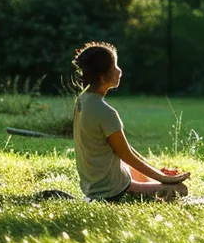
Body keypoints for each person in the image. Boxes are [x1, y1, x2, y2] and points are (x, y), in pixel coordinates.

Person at [72, 41, 191, 201]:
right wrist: (166, 180)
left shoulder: (82, 101)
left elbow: (124, 150)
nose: (119, 71)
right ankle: (154, 188)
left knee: (149, 177)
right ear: (102, 76)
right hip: (112, 191)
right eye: (114, 67)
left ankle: (154, 183)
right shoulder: (106, 112)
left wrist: (158, 174)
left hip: (94, 184)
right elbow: (126, 155)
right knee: (179, 190)